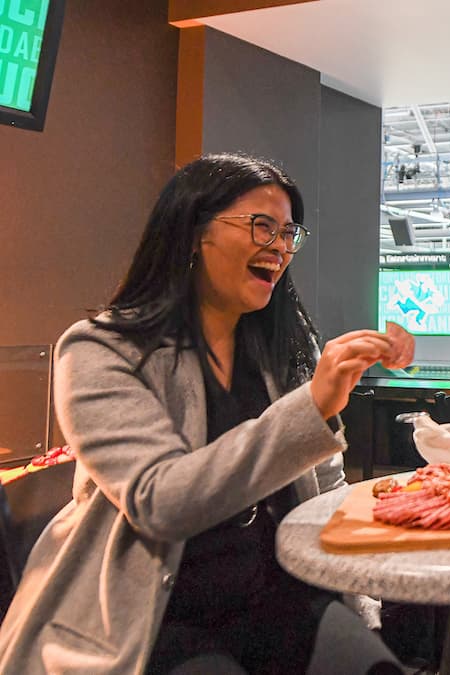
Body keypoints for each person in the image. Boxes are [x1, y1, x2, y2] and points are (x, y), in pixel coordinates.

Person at [0, 153, 411, 674]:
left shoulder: (275, 348)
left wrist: (413, 506)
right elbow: (161, 500)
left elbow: (322, 487)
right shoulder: (100, 351)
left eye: (289, 234)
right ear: (193, 232)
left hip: (282, 600)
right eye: (263, 227)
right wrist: (312, 408)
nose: (280, 248)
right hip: (156, 616)